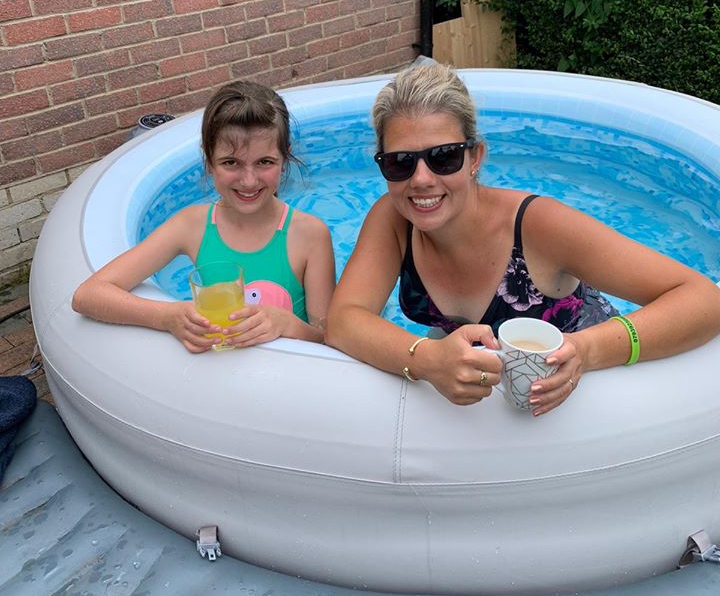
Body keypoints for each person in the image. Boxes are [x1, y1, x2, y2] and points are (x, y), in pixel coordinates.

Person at [326, 65, 720, 413]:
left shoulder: (539, 226)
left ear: (475, 157)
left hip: (589, 391)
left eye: (444, 156)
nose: (421, 179)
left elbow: (703, 299)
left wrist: (590, 350)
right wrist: (426, 359)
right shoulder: (394, 219)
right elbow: (343, 320)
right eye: (400, 162)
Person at [73, 81, 336, 351]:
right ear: (209, 161)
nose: (248, 181)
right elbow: (88, 295)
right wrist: (167, 316)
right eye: (231, 163)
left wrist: (286, 324)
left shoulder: (310, 235)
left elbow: (329, 338)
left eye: (264, 162)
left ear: (284, 160)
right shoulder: (191, 226)